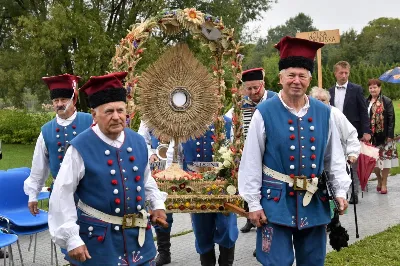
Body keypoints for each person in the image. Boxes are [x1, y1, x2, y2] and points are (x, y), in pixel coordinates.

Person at [238, 36, 351, 266]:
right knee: (277, 261)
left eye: (302, 75)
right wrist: (253, 203)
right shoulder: (264, 112)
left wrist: (340, 190)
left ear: (309, 79)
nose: (296, 81)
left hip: (314, 200)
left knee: (313, 261)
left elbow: (334, 158)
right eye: (291, 75)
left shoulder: (324, 112)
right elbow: (251, 160)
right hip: (275, 202)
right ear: (281, 78)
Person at [49, 72, 167, 266]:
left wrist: (157, 205)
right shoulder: (80, 147)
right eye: (109, 111)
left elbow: (145, 179)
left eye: (120, 110)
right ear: (94, 115)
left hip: (138, 241)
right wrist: (71, 238)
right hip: (99, 243)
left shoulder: (138, 142)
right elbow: (62, 195)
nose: (116, 117)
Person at [166, 116, 237, 266]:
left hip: (222, 185)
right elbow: (174, 156)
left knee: (227, 227)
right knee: (201, 230)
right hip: (194, 185)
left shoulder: (228, 122)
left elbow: (237, 152)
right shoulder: (182, 124)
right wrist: (175, 179)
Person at [24, 74, 93, 213]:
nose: (59, 104)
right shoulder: (46, 131)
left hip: (91, 192)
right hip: (60, 194)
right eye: (56, 100)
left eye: (64, 99)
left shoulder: (91, 122)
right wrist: (33, 195)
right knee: (61, 233)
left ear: (73, 101)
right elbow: (39, 166)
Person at [237, 68, 277, 234]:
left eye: (256, 88)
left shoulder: (275, 100)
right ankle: (250, 218)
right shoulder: (242, 104)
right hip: (249, 149)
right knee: (249, 178)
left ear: (263, 85)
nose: (253, 92)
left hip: (270, 151)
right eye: (249, 89)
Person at [329, 61, 371, 204]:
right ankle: (337, 192)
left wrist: (366, 130)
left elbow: (363, 111)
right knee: (337, 162)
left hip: (353, 131)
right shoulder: (330, 92)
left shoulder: (356, 89)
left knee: (352, 162)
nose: (344, 75)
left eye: (346, 73)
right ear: (335, 73)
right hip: (335, 133)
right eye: (341, 73)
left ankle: (354, 192)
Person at [138, 121, 173, 266]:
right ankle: (164, 251)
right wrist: (151, 153)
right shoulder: (149, 115)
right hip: (157, 169)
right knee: (161, 207)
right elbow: (142, 139)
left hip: (179, 165)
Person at [310, 87, 360, 163]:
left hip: (335, 159)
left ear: (328, 101)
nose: (320, 103)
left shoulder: (335, 114)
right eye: (317, 100)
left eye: (323, 100)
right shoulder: (306, 113)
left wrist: (352, 152)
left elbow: (350, 133)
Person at [366, 79, 397, 194]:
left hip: (384, 136)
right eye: (371, 88)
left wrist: (389, 135)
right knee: (373, 161)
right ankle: (379, 179)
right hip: (371, 137)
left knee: (386, 160)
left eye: (375, 87)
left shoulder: (386, 101)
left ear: (380, 88)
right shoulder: (366, 101)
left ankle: (384, 183)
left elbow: (391, 118)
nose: (373, 90)